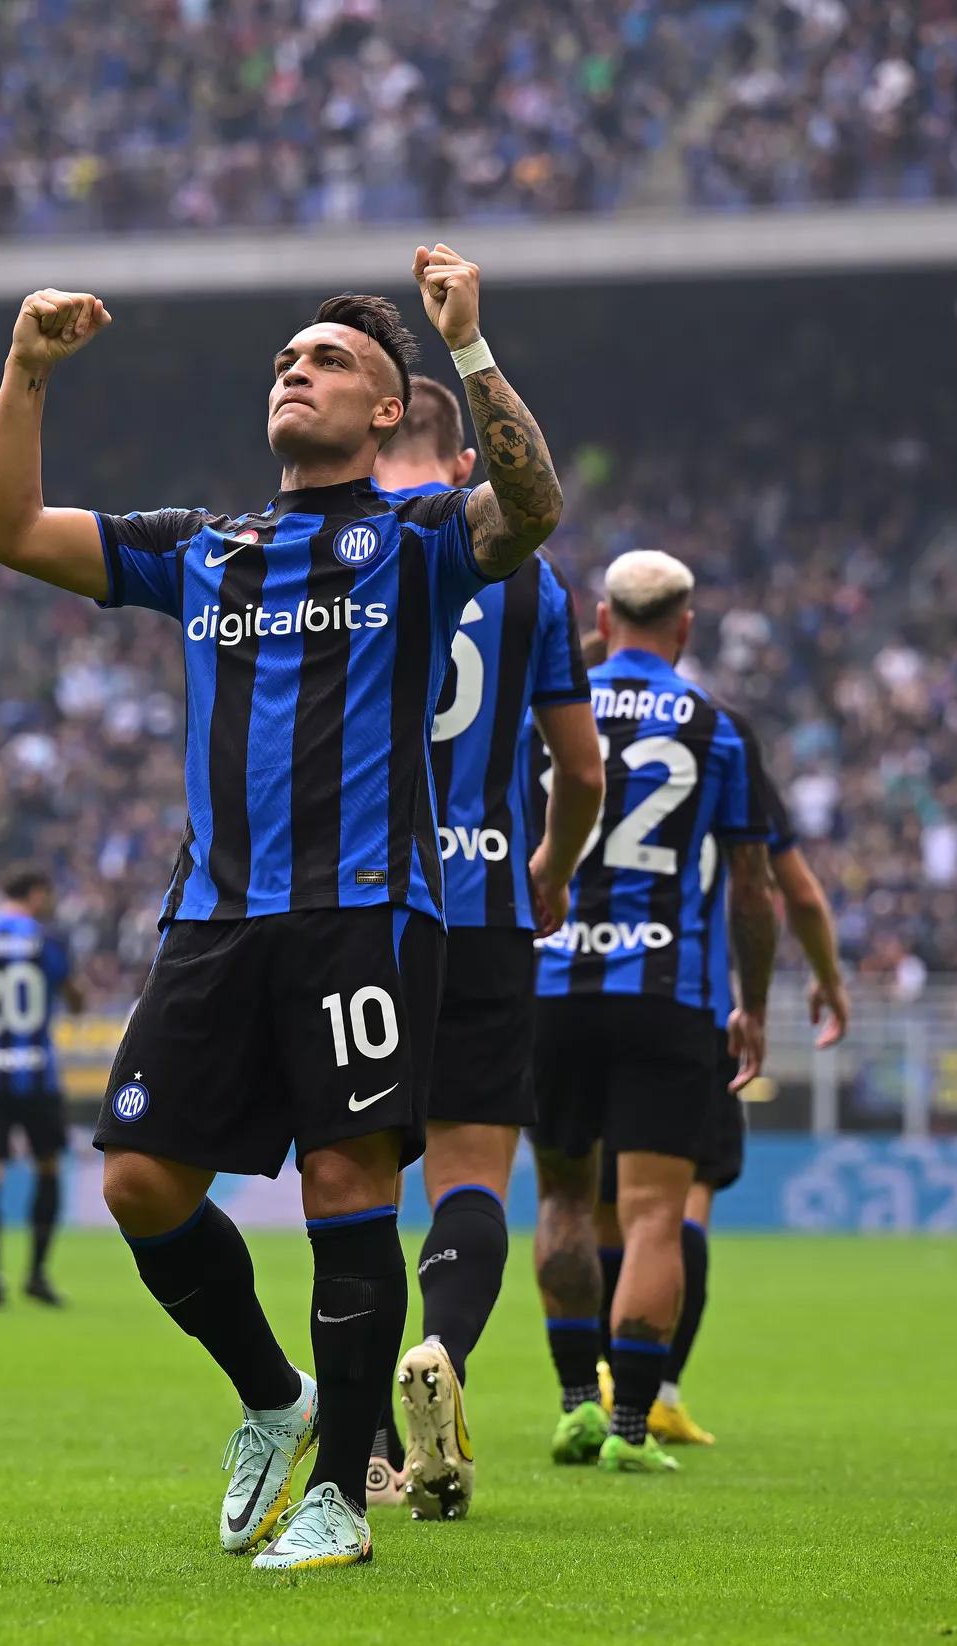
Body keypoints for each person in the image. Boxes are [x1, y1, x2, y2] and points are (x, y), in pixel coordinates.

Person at [0, 245, 563, 1571]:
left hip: (366, 911)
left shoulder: (416, 540)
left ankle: (342, 1495)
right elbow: (6, 528)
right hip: (216, 917)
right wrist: (25, 370)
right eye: (288, 358)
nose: (297, 370)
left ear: (386, 411)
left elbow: (533, 503)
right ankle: (272, 1393)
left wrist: (467, 345)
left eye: (331, 361)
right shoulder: (203, 548)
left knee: (349, 1182)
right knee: (138, 1178)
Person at [366, 374, 603, 1520]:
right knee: (470, 1176)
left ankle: (369, 1446)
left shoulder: (332, 543)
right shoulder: (528, 575)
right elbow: (582, 769)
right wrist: (548, 866)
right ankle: (442, 1350)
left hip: (361, 908)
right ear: (466, 464)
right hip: (488, 908)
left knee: (355, 1182)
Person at [528, 550, 777, 1477]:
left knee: (562, 1199)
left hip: (555, 984)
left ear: (602, 621)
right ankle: (631, 1427)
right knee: (653, 1217)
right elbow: (751, 885)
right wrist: (753, 1003)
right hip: (669, 995)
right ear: (686, 626)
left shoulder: (549, 709)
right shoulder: (718, 728)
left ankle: (574, 1408)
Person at [592, 751, 850, 1448]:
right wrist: (822, 976)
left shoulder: (582, 729)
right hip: (685, 1001)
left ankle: (586, 1389)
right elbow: (790, 889)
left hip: (575, 988)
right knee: (680, 1203)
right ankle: (656, 1392)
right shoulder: (720, 743)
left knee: (595, 1199)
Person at [0, 869, 82, 1308]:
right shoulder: (45, 939)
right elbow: (75, 998)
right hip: (35, 1070)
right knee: (47, 1165)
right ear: (37, 894)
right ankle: (36, 1274)